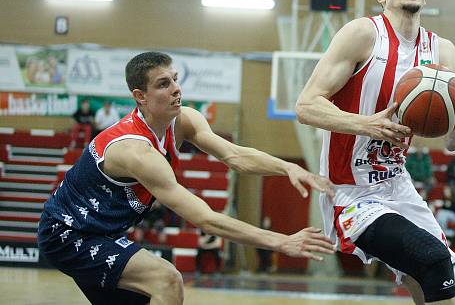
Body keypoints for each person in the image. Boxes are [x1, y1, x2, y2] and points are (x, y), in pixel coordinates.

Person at [38, 52, 335, 305]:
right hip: (68, 234)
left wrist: (289, 168)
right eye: (163, 84)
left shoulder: (184, 120)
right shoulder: (136, 152)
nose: (176, 90)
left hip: (103, 231)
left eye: (176, 79)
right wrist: (282, 242)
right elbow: (206, 220)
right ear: (140, 97)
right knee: (166, 280)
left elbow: (234, 155)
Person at [295, 0, 455, 305]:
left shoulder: (442, 50)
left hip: (397, 184)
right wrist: (368, 125)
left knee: (433, 277)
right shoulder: (363, 33)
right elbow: (305, 106)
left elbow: (453, 143)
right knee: (433, 258)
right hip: (350, 191)